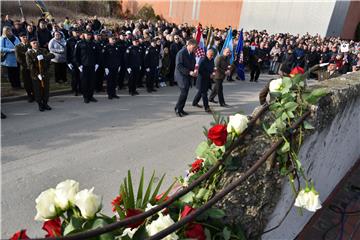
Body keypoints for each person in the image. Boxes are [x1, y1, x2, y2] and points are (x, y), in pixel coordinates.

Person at [25, 38, 55, 111]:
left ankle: (45, 103)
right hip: (35, 75)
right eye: (33, 43)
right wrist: (37, 74)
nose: (35, 44)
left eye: (36, 42)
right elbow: (30, 65)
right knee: (37, 90)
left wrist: (44, 57)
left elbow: (52, 55)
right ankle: (40, 104)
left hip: (45, 73)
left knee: (46, 89)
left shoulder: (43, 50)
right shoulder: (29, 53)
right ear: (31, 44)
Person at [74, 31, 99, 103]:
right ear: (84, 35)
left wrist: (97, 64)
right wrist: (79, 65)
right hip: (83, 66)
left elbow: (97, 54)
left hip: (92, 66)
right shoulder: (79, 44)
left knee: (91, 82)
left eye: (90, 35)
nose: (88, 36)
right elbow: (76, 56)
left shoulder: (94, 43)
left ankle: (91, 96)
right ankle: (85, 97)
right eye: (87, 35)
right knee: (84, 82)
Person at [174, 39, 197, 117]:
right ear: (189, 45)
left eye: (195, 48)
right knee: (184, 93)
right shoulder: (181, 53)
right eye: (193, 47)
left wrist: (194, 70)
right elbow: (179, 66)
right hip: (181, 76)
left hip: (187, 75)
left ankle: (180, 108)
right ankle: (178, 109)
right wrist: (189, 72)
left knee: (185, 93)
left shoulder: (192, 53)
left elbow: (193, 62)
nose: (195, 49)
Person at [192, 49, 215, 113]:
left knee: (200, 92)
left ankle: (194, 102)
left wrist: (213, 73)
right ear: (207, 54)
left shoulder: (212, 60)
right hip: (202, 80)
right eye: (211, 55)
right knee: (204, 94)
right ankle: (207, 108)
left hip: (208, 79)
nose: (212, 56)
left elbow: (212, 67)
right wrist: (209, 75)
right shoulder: (203, 60)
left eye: (213, 55)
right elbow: (200, 71)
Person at [15, 32, 34, 102]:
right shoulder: (18, 47)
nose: (25, 38)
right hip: (24, 67)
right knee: (27, 82)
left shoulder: (30, 45)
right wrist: (25, 65)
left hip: (32, 66)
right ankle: (29, 95)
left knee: (33, 80)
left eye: (26, 37)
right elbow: (18, 58)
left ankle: (34, 93)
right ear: (20, 38)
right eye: (23, 37)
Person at [103, 35, 122, 99]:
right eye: (112, 39)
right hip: (109, 67)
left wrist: (119, 65)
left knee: (114, 81)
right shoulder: (106, 47)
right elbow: (104, 58)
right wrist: (105, 67)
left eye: (114, 39)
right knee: (110, 81)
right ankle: (110, 94)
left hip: (116, 66)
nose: (113, 40)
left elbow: (119, 57)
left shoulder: (117, 47)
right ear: (109, 39)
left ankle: (114, 93)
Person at [66, 28, 81, 95]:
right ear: (72, 32)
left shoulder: (81, 40)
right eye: (75, 32)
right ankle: (74, 90)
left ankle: (80, 89)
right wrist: (68, 62)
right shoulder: (69, 41)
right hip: (73, 61)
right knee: (74, 77)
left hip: (80, 61)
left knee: (80, 76)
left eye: (77, 32)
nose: (76, 33)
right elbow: (67, 52)